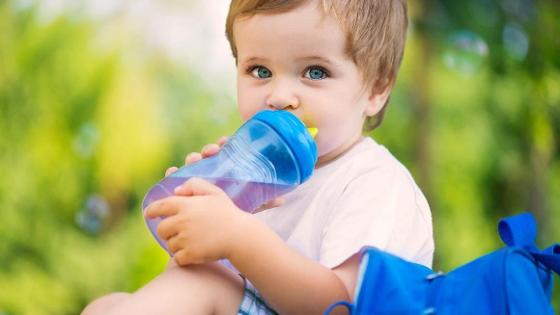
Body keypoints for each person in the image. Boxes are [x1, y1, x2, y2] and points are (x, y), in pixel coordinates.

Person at [82, 0, 433, 314]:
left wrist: (237, 236)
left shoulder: (375, 183)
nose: (279, 96)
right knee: (106, 305)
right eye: (259, 71)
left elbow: (342, 305)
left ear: (376, 89)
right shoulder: (258, 173)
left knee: (201, 283)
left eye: (315, 72)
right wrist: (199, 228)